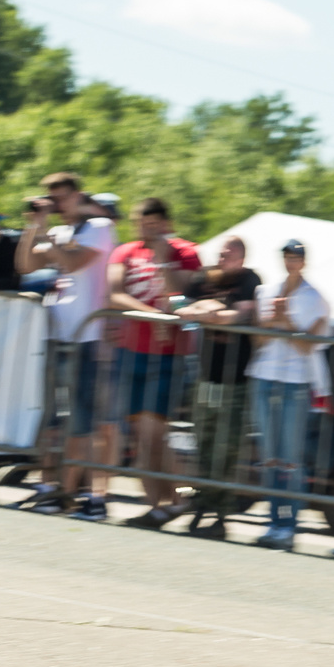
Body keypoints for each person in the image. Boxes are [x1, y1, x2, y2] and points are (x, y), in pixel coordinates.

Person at [22, 173, 117, 516]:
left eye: (62, 198)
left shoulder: (99, 227)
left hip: (86, 336)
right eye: (53, 199)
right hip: (56, 334)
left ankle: (81, 493)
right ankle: (48, 488)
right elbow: (27, 265)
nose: (58, 205)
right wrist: (34, 226)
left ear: (78, 196)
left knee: (82, 422)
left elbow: (75, 263)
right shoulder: (60, 232)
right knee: (52, 419)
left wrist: (47, 232)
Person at [106, 197, 201, 526]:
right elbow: (115, 294)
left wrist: (163, 261)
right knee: (141, 436)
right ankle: (159, 503)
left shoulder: (186, 252)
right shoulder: (126, 251)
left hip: (169, 356)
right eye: (141, 224)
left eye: (153, 224)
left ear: (164, 223)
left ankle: (179, 496)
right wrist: (154, 316)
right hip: (132, 351)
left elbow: (183, 296)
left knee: (155, 433)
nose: (146, 230)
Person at [246, 241, 330, 552]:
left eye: (297, 257)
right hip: (265, 376)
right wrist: (273, 320)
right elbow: (258, 339)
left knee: (290, 459)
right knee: (270, 457)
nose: (291, 261)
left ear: (304, 261)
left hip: (296, 381)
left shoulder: (315, 297)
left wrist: (288, 321)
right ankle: (273, 520)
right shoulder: (265, 291)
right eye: (287, 256)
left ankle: (288, 524)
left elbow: (308, 344)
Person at [178, 237, 263, 536]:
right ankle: (203, 501)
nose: (223, 254)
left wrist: (208, 310)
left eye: (230, 251)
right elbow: (182, 309)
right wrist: (211, 309)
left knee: (226, 447)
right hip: (206, 374)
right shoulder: (204, 276)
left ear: (242, 255)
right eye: (222, 251)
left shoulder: (248, 278)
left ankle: (221, 515)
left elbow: (239, 314)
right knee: (203, 442)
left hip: (235, 378)